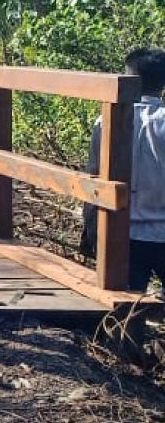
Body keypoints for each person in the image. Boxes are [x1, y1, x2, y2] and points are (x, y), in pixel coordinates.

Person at [82, 48, 165, 294]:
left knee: (126, 309)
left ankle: (126, 332)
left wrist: (90, 229)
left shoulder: (106, 120)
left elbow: (95, 175)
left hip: (121, 232)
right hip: (162, 233)